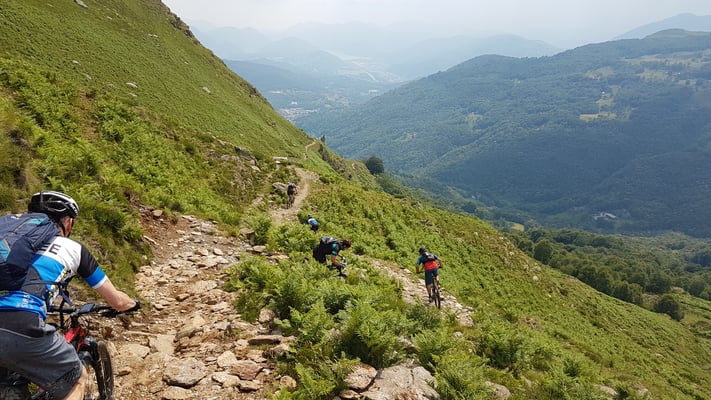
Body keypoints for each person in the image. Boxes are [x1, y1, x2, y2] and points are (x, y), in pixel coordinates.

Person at [0, 190, 140, 400]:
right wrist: (133, 304)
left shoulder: (10, 246)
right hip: (20, 323)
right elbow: (117, 301)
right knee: (77, 379)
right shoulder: (73, 248)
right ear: (67, 222)